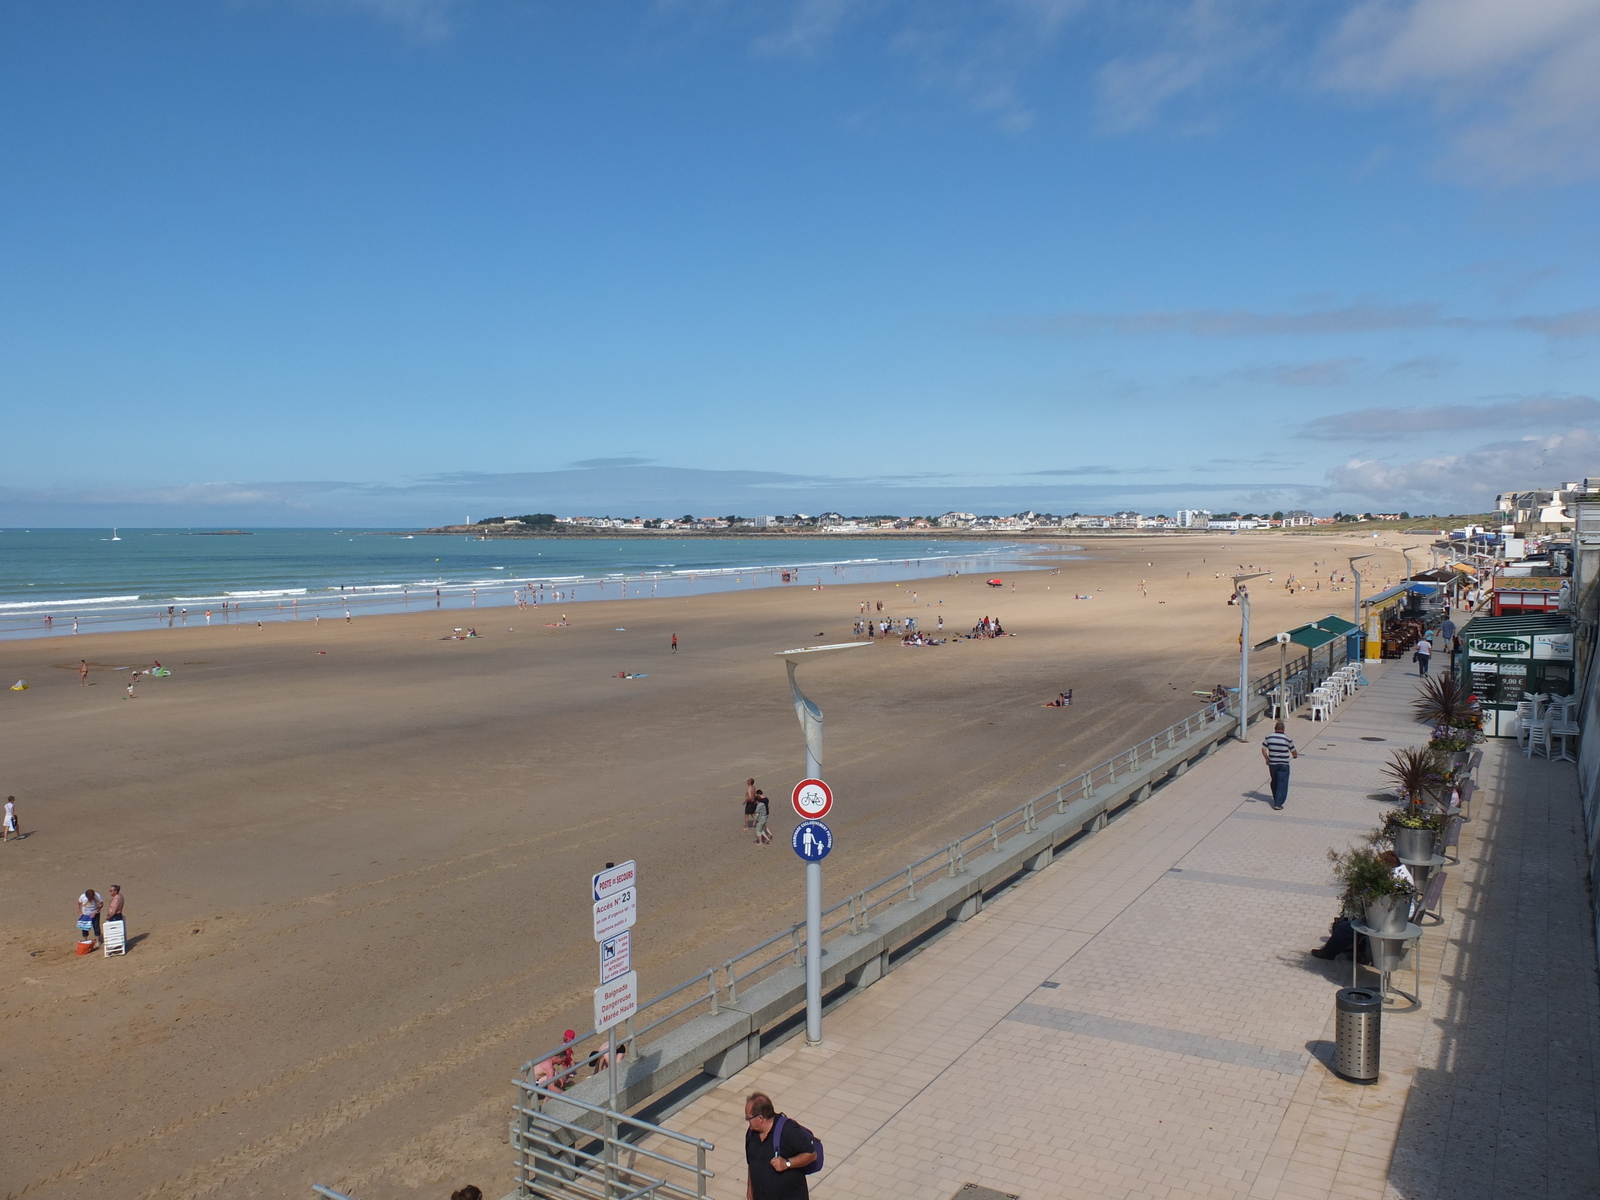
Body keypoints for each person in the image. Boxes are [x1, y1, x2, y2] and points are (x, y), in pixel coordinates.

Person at [744, 1092, 817, 1200]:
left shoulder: (788, 1131)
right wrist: (750, 1189)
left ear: (760, 1118)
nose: (747, 1120)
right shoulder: (751, 1135)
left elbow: (812, 1154)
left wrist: (787, 1163)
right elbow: (752, 1163)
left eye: (748, 1118)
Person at [1261, 720, 1297, 811]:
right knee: (1282, 783)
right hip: (1284, 764)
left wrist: (1266, 758)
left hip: (1272, 764)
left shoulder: (1269, 737)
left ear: (1275, 728)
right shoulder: (1287, 739)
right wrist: (1295, 756)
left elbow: (1263, 749)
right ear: (1283, 729)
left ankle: (1276, 796)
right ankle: (1278, 803)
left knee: (1275, 781)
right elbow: (1294, 751)